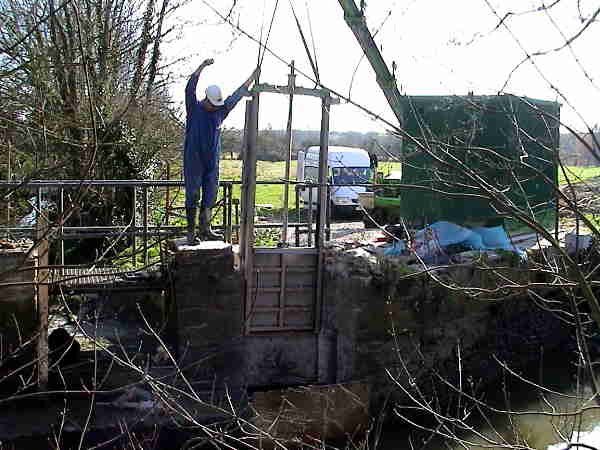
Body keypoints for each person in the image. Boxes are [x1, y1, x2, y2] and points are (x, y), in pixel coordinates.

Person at [183, 58, 259, 244]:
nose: (216, 107)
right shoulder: (194, 108)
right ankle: (192, 232)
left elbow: (235, 96)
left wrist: (251, 78)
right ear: (206, 100)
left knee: (211, 193)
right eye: (213, 104)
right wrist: (201, 67)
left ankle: (206, 229)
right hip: (193, 159)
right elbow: (189, 89)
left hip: (212, 160)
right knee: (193, 193)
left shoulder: (219, 111)